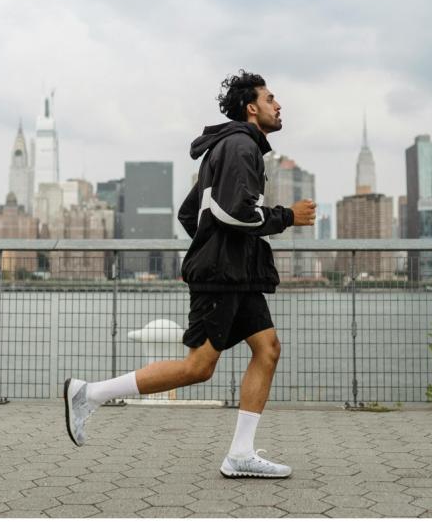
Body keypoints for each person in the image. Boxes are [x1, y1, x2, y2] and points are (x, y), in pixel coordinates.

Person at [64, 70, 316, 479]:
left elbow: (190, 212)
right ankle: (89, 394)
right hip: (222, 275)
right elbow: (234, 211)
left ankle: (240, 454)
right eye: (271, 98)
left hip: (236, 273)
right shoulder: (240, 146)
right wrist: (287, 217)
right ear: (251, 107)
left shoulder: (231, 147)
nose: (279, 104)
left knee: (267, 349)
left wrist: (210, 247)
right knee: (199, 366)